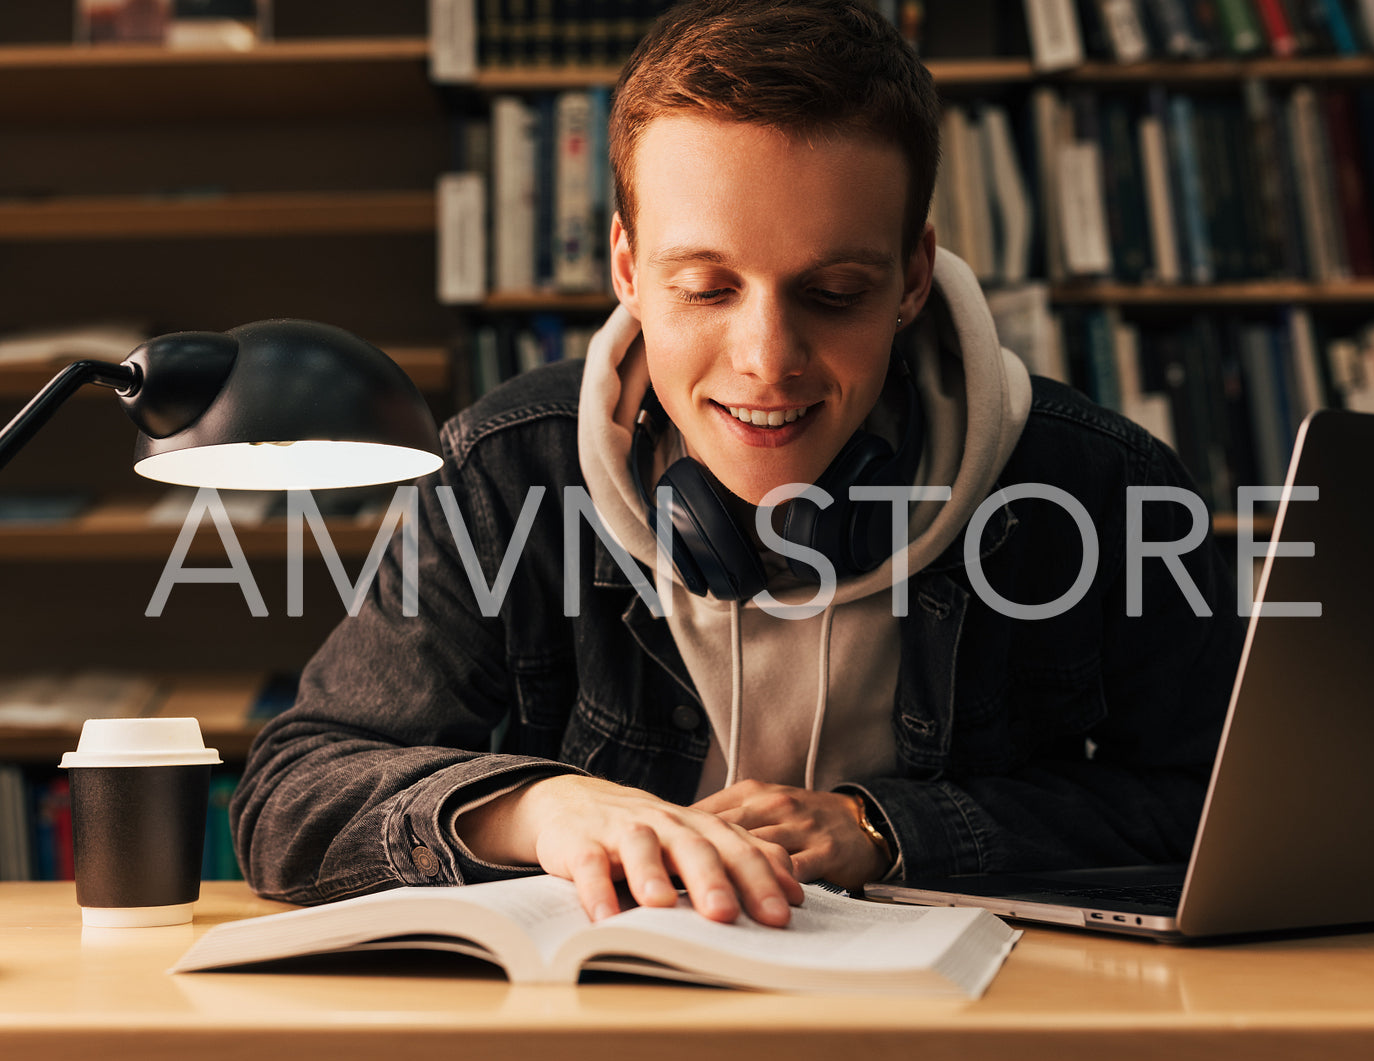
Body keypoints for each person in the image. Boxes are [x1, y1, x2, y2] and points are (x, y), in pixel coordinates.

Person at [231, 0, 1244, 932]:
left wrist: (891, 829)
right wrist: (537, 809)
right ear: (627, 270)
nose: (767, 359)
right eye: (706, 288)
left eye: (835, 291)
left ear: (912, 277)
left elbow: (1224, 809)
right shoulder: (502, 475)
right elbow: (289, 795)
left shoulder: (1102, 487)